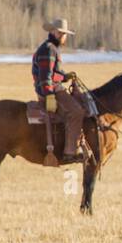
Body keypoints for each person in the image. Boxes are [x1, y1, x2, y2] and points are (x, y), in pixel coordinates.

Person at [32, 17, 91, 163]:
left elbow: (53, 74)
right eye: (62, 34)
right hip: (50, 91)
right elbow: (45, 76)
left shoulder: (51, 48)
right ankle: (70, 153)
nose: (64, 37)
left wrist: (65, 77)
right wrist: (49, 96)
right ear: (54, 32)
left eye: (64, 34)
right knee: (76, 111)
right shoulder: (49, 49)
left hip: (53, 87)